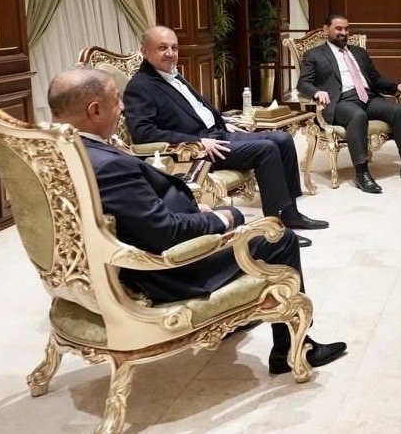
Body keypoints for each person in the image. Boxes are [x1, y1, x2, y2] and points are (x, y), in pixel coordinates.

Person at [48, 68, 347, 374]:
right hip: (166, 270)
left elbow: (137, 215)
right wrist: (217, 219)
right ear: (94, 110)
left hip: (129, 249)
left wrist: (190, 209)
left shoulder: (56, 154)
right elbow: (165, 233)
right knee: (277, 238)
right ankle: (292, 350)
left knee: (246, 196)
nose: (122, 107)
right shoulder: (107, 165)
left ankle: (234, 317)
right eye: (115, 100)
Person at [123, 26, 327, 247]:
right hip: (198, 149)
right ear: (145, 52)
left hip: (217, 134)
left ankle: (290, 213)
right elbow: (144, 133)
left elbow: (196, 109)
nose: (171, 53)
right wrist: (198, 142)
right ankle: (274, 230)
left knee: (282, 139)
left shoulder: (172, 75)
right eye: (162, 48)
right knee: (266, 149)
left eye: (174, 47)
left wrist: (224, 122)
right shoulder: (140, 86)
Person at [296, 13, 401, 193]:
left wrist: (396, 86)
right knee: (357, 116)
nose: (343, 33)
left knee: (398, 112)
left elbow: (375, 79)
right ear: (326, 29)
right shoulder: (314, 55)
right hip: (341, 101)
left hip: (368, 97)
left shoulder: (358, 52)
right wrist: (317, 92)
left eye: (346, 29)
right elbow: (303, 84)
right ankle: (361, 173)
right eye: (338, 29)